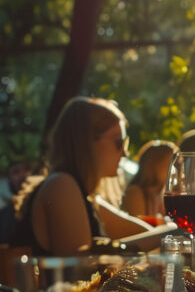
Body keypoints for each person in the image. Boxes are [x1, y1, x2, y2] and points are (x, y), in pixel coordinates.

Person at [12, 97, 153, 256]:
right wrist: (174, 235)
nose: (125, 153)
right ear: (87, 141)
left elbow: (147, 235)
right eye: (119, 142)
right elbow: (81, 264)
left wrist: (174, 234)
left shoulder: (86, 196)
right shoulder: (62, 186)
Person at [122, 140, 179, 220]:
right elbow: (138, 225)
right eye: (169, 163)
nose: (175, 169)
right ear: (154, 165)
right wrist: (165, 223)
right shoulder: (134, 192)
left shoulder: (161, 193)